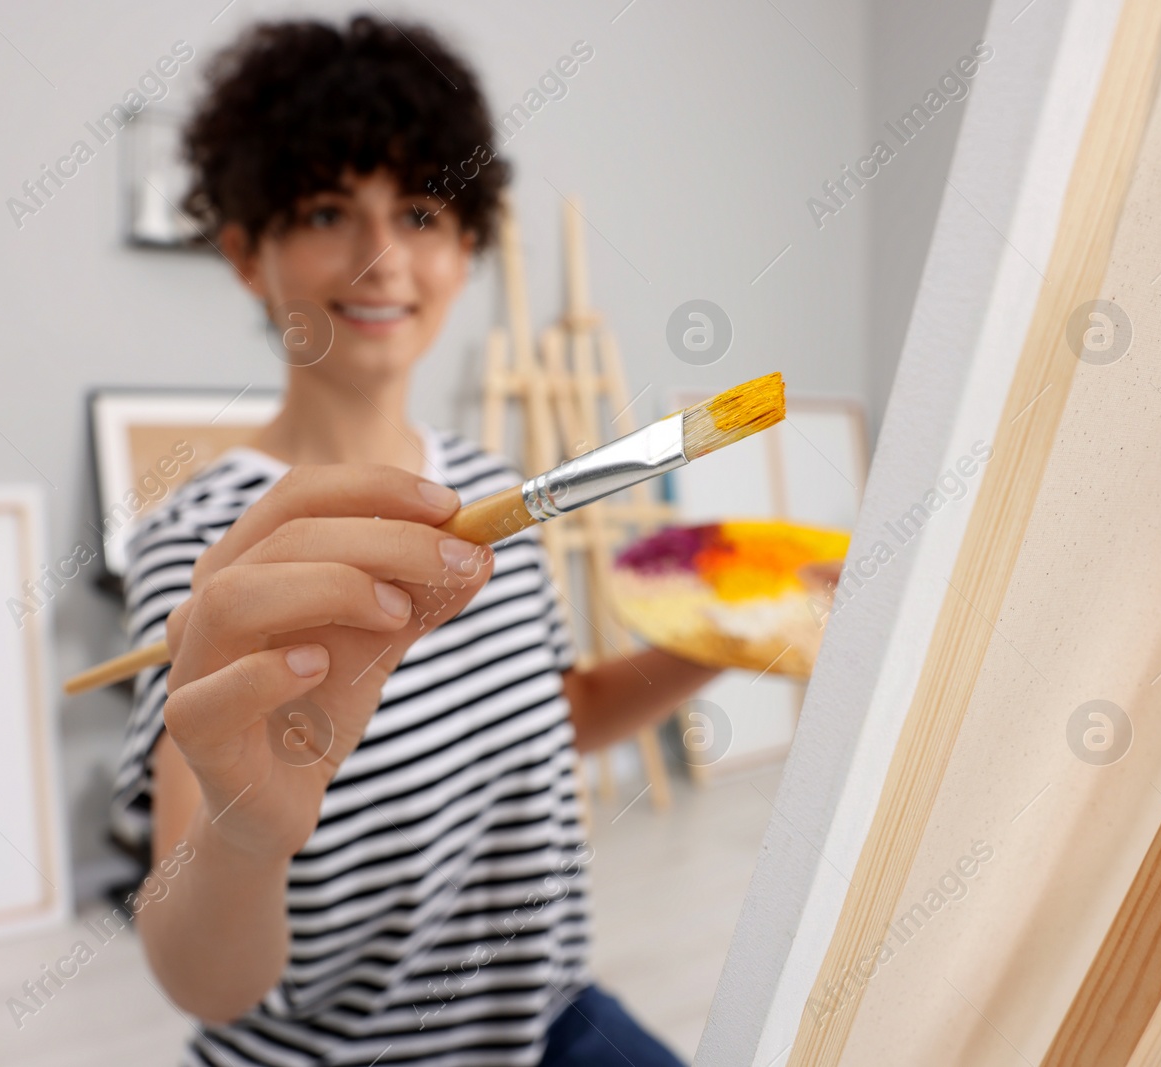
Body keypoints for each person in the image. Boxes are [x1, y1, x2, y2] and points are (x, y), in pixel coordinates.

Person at [111, 15, 719, 1066]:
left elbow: (550, 714)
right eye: (325, 210)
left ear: (469, 244)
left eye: (423, 210)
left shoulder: (500, 497)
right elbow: (200, 971)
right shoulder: (209, 547)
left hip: (550, 1021)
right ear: (247, 254)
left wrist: (723, 640)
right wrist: (247, 839)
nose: (383, 256)